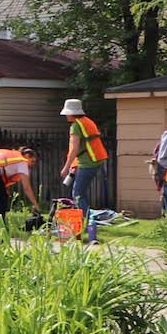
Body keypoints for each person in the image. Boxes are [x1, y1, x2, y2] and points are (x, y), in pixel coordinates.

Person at [58, 99, 110, 241]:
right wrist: (74, 166)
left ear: (71, 114)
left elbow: (75, 149)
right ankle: (86, 221)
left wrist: (66, 167)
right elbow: (84, 147)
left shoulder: (75, 126)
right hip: (95, 160)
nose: (66, 116)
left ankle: (86, 224)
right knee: (80, 194)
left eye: (67, 113)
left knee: (78, 194)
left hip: (88, 162)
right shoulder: (87, 121)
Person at [0, 146, 41, 228]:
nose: (32, 164)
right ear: (26, 156)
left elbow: (1, 175)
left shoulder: (14, 157)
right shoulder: (22, 162)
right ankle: (1, 227)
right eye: (32, 161)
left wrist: (5, 189)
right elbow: (27, 188)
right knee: (2, 197)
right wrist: (36, 206)